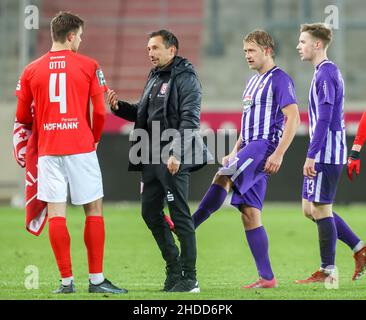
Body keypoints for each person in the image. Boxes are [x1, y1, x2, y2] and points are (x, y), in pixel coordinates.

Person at [15, 11, 127, 294]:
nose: (81, 40)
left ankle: (66, 283)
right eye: (80, 36)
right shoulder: (88, 65)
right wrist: (95, 138)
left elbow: (21, 118)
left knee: (56, 213)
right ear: (71, 36)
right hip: (80, 146)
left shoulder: (31, 70)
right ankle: (97, 280)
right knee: (93, 210)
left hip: (48, 149)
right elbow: (100, 110)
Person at [191, 30, 300, 289]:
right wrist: (235, 149)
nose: (247, 56)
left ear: (267, 51)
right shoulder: (252, 82)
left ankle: (187, 226)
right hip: (250, 144)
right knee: (249, 213)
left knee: (223, 175)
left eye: (251, 51)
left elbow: (293, 117)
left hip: (265, 145)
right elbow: (247, 121)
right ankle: (267, 277)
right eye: (245, 51)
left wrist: (279, 153)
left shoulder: (280, 79)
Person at [107, 30, 211, 293]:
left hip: (173, 157)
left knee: (179, 214)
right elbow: (144, 114)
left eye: (155, 48)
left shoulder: (186, 78)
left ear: (172, 50)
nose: (150, 53)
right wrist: (119, 107)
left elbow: (190, 120)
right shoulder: (154, 77)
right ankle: (174, 271)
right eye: (148, 49)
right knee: (149, 212)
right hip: (151, 156)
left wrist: (176, 152)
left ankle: (191, 278)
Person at [295, 23, 366, 284]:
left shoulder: (326, 74)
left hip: (326, 152)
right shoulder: (322, 72)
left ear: (317, 44)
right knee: (309, 209)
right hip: (323, 150)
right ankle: (359, 248)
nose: (298, 46)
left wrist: (311, 154)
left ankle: (328, 272)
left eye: (303, 41)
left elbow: (325, 118)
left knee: (321, 209)